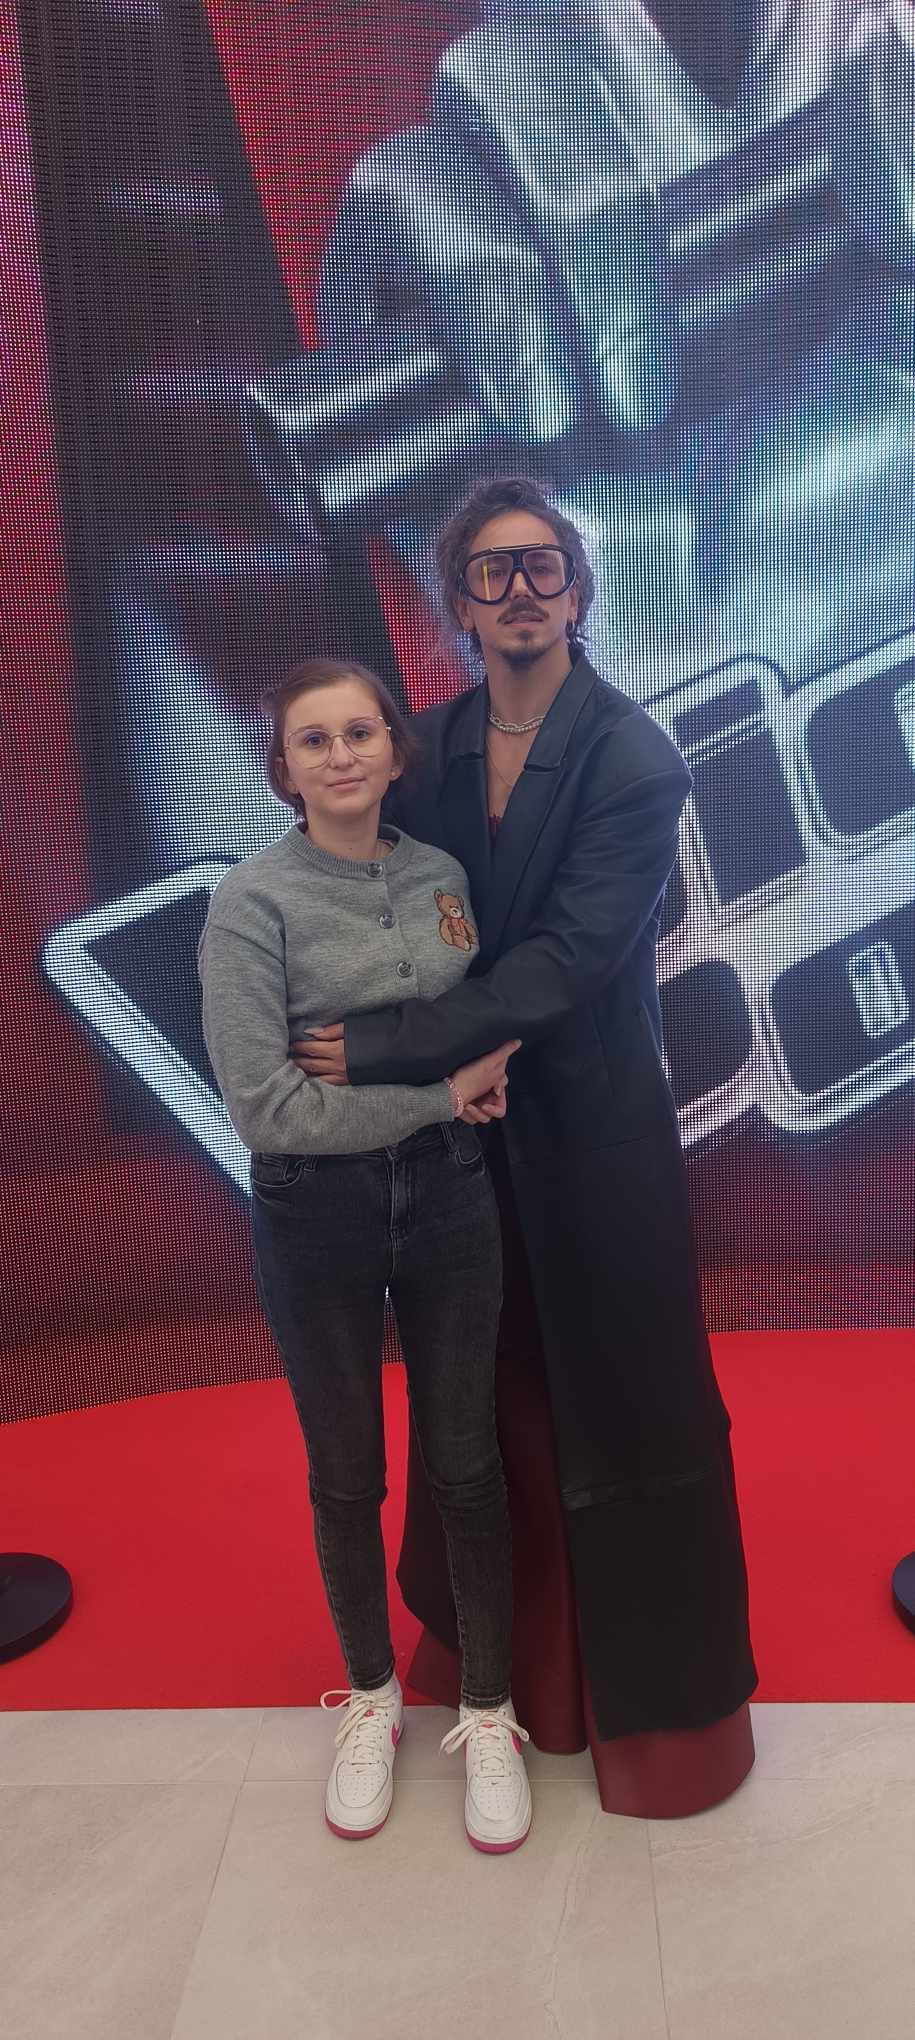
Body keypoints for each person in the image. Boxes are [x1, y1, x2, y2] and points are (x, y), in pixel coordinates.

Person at [295, 479, 759, 1818]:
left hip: (596, 1130)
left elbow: (576, 951)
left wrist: (422, 1043)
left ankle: (655, 1723)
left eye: (540, 565)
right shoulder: (428, 744)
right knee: (474, 1400)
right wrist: (442, 1043)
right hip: (461, 1133)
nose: (517, 591)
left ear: (577, 587)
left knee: (626, 1394)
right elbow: (400, 903)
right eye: (490, 571)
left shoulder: (633, 755)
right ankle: (496, 1684)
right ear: (456, 599)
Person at [198, 655, 533, 1852]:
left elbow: (479, 1024)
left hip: (449, 1197)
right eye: (314, 739)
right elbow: (269, 1109)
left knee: (467, 1464)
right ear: (283, 769)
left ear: (396, 752)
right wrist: (442, 1093)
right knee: (346, 1474)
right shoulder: (250, 903)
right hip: (315, 1211)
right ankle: (373, 1698)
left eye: (359, 733)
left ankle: (488, 1711)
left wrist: (455, 1081)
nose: (341, 755)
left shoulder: (444, 877)